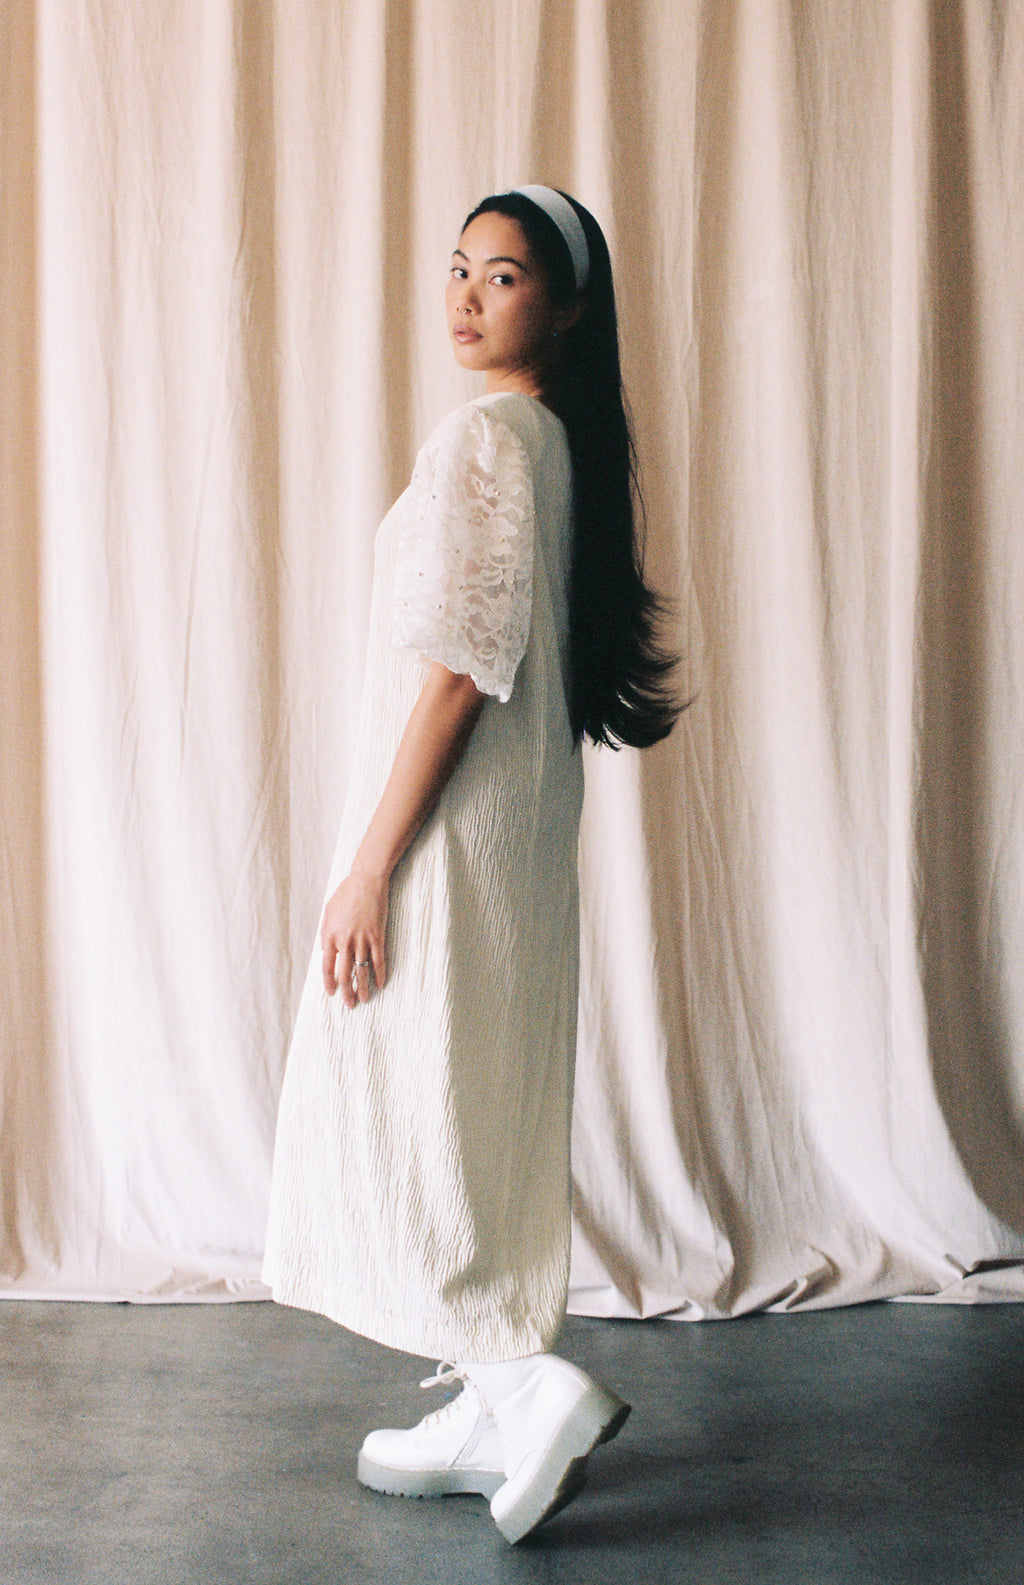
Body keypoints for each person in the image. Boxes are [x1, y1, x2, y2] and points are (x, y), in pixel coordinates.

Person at [263, 185, 679, 1544]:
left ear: (564, 307)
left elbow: (455, 671)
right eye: (458, 268)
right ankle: (490, 1401)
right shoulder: (556, 444)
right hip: (514, 840)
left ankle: (524, 1383)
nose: (466, 295)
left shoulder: (490, 438)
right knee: (471, 1110)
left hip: (447, 840)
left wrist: (369, 865)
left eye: (502, 276)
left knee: (407, 1107)